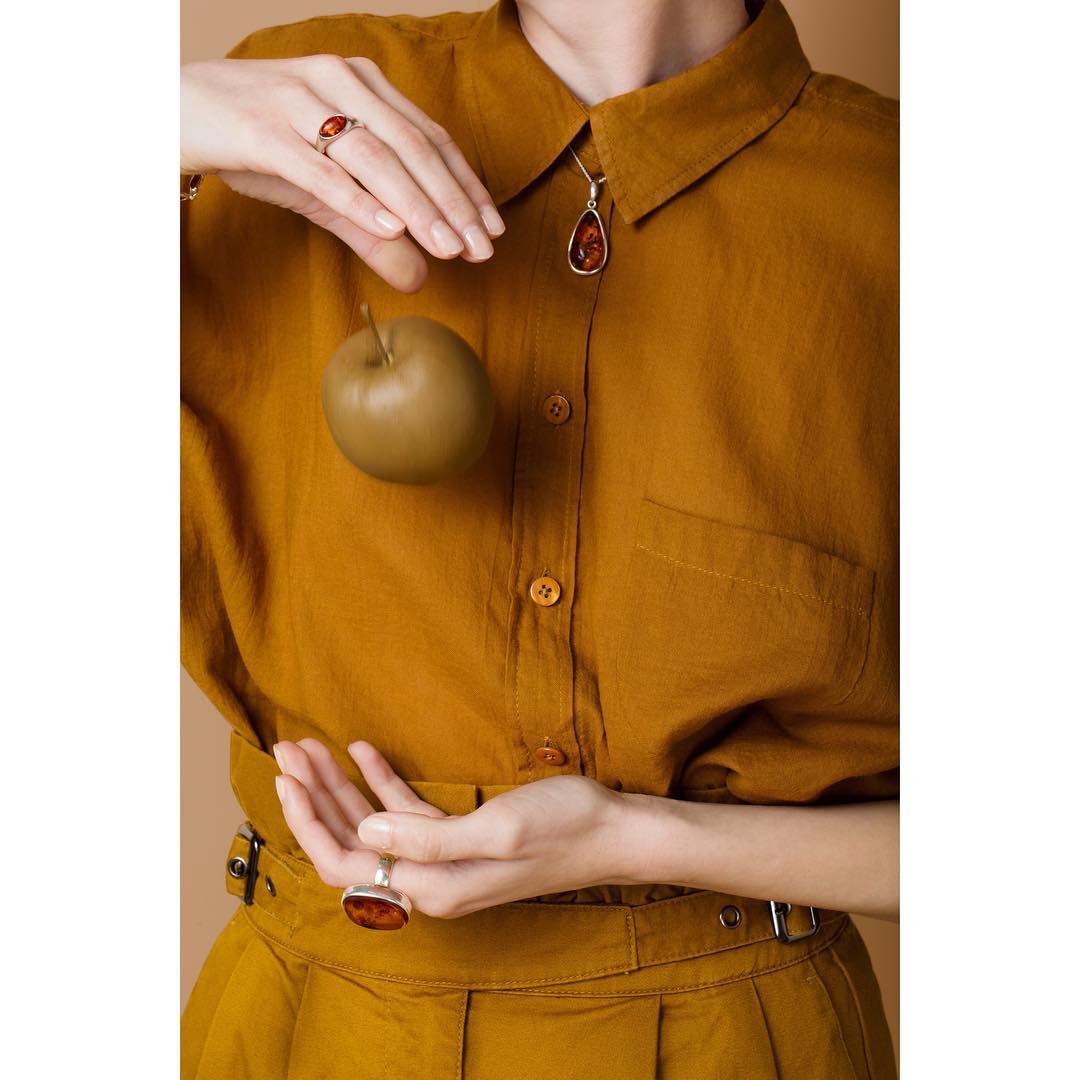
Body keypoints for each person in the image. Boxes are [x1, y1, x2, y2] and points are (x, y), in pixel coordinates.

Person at [180, 0, 899, 1076]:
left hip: (740, 1039)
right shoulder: (280, 113)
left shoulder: (921, 208)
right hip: (301, 1031)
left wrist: (637, 839)